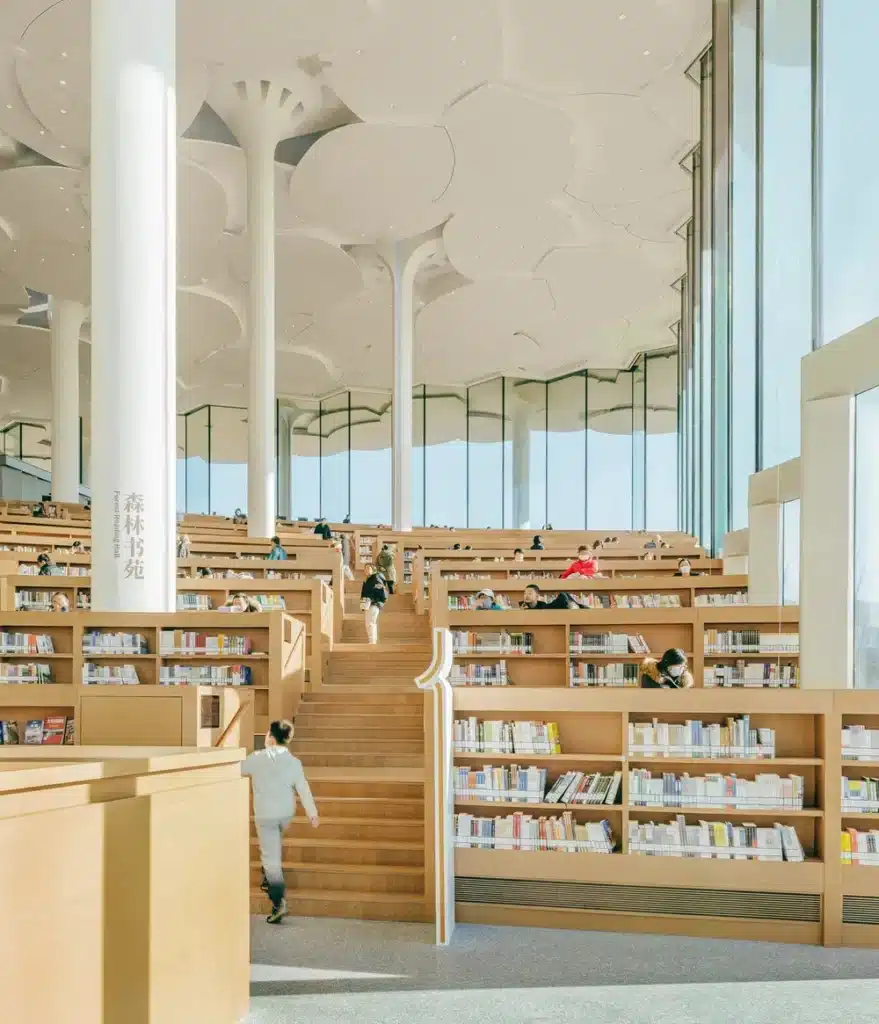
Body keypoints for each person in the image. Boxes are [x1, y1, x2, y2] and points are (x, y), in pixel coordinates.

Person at [241, 720, 319, 924]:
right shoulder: (294, 762)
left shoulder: (257, 758)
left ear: (271, 737)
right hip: (286, 813)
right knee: (273, 845)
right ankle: (269, 877)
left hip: (266, 815)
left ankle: (278, 901)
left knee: (270, 859)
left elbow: (238, 769)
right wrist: (312, 813)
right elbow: (303, 788)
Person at [360, 565, 388, 644]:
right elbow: (364, 593)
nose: (366, 570)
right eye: (365, 568)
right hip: (368, 604)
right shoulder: (367, 580)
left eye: (368, 568)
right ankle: (372, 640)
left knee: (371, 623)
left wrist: (372, 599)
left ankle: (372, 641)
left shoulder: (376, 578)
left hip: (374, 603)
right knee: (368, 623)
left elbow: (380, 590)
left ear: (373, 570)